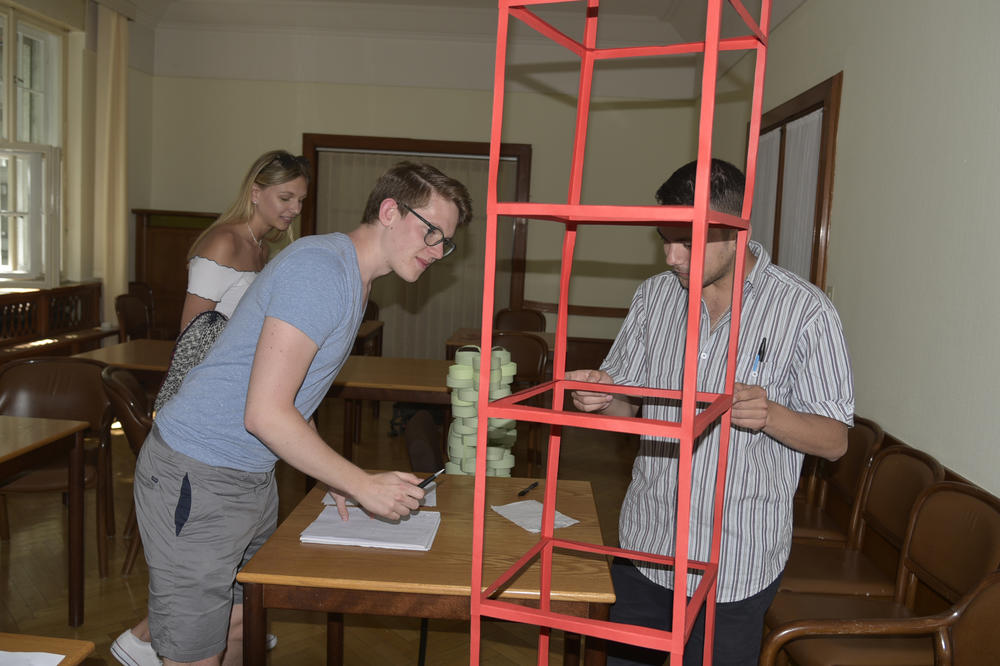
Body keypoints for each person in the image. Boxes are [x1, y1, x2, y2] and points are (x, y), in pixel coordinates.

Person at [131, 161, 472, 666]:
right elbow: (265, 414)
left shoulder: (352, 276)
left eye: (447, 242)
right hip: (196, 474)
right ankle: (137, 647)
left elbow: (292, 396)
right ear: (389, 211)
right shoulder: (321, 269)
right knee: (194, 652)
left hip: (248, 474)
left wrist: (328, 475)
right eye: (431, 232)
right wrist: (359, 482)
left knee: (245, 619)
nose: (437, 252)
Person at [567, 158, 853, 666]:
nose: (672, 256)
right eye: (664, 238)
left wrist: (770, 414)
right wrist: (600, 394)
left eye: (688, 240)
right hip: (646, 546)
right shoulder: (654, 297)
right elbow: (624, 410)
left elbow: (835, 442)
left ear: (732, 229)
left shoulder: (805, 311)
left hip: (735, 565)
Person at [111, 148, 309, 666]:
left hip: (238, 417)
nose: (292, 209)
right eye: (285, 197)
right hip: (204, 418)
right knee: (202, 575)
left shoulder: (263, 251)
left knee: (221, 572)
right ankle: (147, 640)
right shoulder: (223, 242)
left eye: (299, 201)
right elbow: (192, 338)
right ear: (256, 191)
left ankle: (186, 632)